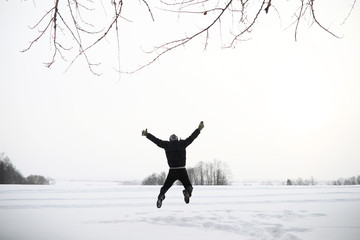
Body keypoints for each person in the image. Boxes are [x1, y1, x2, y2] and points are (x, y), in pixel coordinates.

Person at [142, 121, 204, 208]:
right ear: (177, 139)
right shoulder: (182, 144)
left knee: (166, 186)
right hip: (182, 170)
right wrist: (199, 129)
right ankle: (187, 193)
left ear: (170, 140)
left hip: (172, 170)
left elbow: (157, 141)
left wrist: (147, 135)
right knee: (188, 186)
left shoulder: (166, 145)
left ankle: (161, 196)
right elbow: (192, 137)